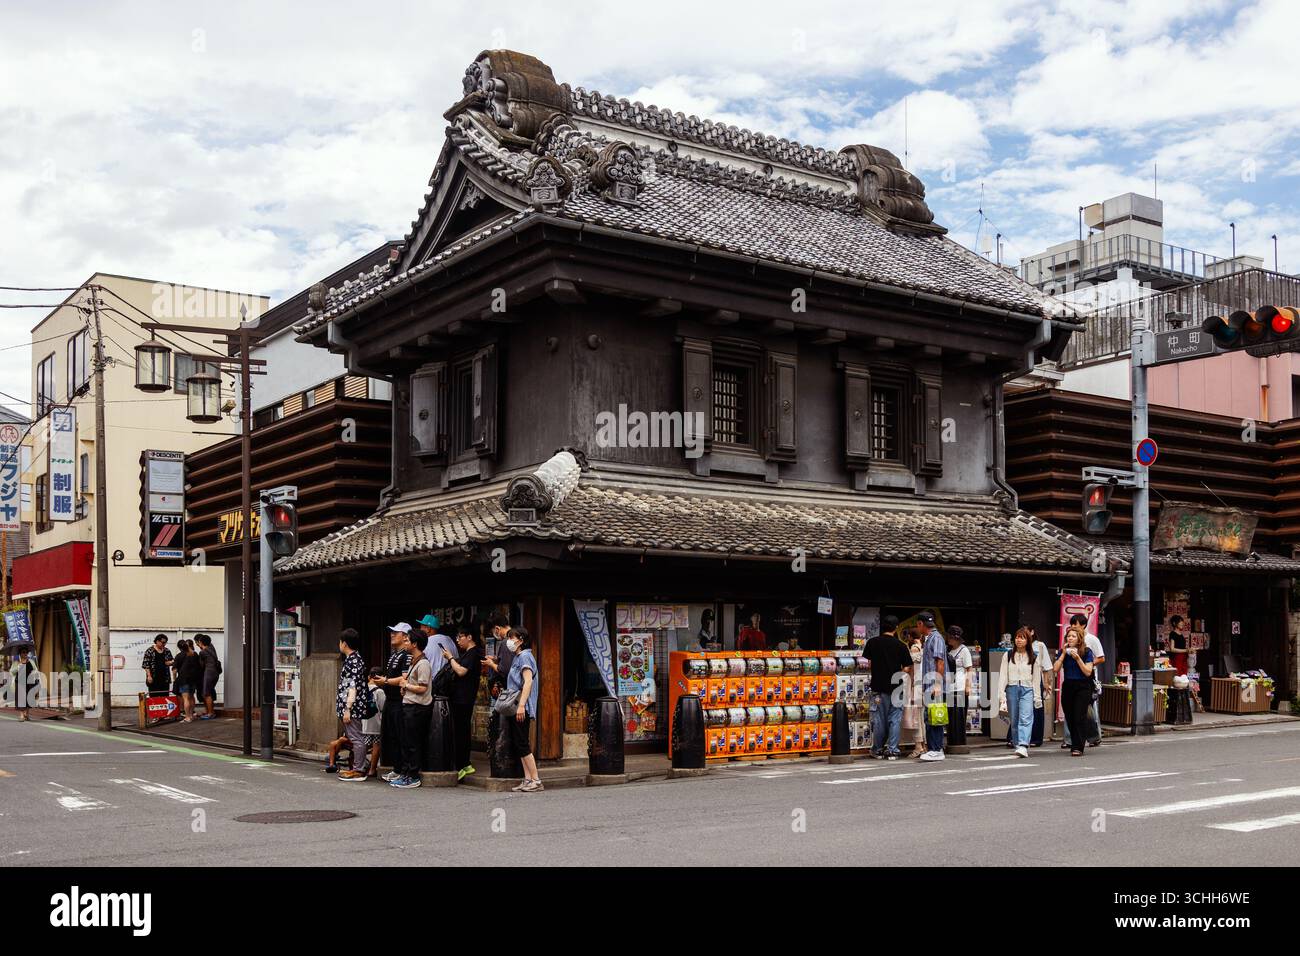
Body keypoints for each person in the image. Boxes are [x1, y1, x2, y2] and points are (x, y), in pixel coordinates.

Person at [487, 626, 542, 792]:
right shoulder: (518, 656)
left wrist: (522, 706)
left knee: (523, 743)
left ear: (521, 640)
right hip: (516, 706)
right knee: (519, 743)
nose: (510, 641)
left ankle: (536, 780)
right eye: (509, 637)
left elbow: (528, 682)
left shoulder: (525, 656)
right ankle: (527, 779)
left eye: (513, 638)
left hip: (520, 706)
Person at [864, 614, 912, 759]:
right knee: (895, 719)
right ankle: (893, 750)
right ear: (896, 628)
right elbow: (907, 667)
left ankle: (877, 749)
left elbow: (869, 664)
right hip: (896, 687)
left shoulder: (872, 642)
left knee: (878, 719)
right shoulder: (901, 645)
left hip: (878, 686)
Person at [441, 622, 484, 780]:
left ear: (469, 637)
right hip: (460, 698)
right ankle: (463, 764)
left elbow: (461, 671)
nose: (457, 640)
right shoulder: (468, 653)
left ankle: (463, 765)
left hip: (464, 699)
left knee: (461, 732)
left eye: (460, 637)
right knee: (460, 732)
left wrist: (450, 658)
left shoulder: (473, 653)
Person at [391, 631, 432, 789]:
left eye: (408, 641)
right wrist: (405, 688)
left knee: (413, 743)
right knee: (407, 742)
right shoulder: (414, 661)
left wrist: (406, 686)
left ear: (415, 644)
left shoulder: (423, 664)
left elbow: (422, 688)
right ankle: (406, 773)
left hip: (417, 707)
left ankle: (413, 776)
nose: (405, 643)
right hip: (409, 705)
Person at [998, 627, 1043, 758]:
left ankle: (1023, 745)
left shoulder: (1033, 656)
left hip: (1027, 689)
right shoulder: (1008, 655)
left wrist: (1037, 697)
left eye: (1022, 637)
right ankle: (1018, 745)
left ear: (1028, 640)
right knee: (1014, 719)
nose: (1018, 640)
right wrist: (1001, 694)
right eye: (1017, 637)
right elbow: (1002, 676)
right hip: (1011, 688)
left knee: (1026, 717)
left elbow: (1036, 679)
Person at [335, 629, 372, 782]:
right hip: (353, 706)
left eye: (340, 642)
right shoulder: (354, 659)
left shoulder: (353, 661)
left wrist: (347, 709)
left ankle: (358, 769)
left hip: (353, 707)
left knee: (356, 737)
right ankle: (358, 767)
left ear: (344, 643)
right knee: (355, 737)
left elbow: (352, 687)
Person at [1053, 623, 1096, 757]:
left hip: (1083, 686)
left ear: (1079, 638)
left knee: (1079, 716)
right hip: (1068, 685)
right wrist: (1063, 654)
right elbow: (1055, 669)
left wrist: (1078, 659)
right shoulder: (1063, 651)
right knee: (1070, 716)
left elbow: (1088, 672)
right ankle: (1074, 741)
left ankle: (1078, 746)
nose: (1070, 638)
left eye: (1073, 636)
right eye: (1068, 636)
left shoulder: (1086, 651)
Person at [377, 624, 412, 782]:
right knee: (392, 736)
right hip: (389, 699)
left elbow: (405, 678)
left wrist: (386, 680)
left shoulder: (407, 655)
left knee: (401, 736)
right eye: (391, 632)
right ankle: (396, 768)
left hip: (400, 701)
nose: (392, 635)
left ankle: (404, 770)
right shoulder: (393, 655)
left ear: (405, 636)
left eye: (395, 632)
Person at [1063, 613, 1105, 749]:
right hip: (1070, 680)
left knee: (1087, 712)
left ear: (1084, 625)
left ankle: (1094, 736)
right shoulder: (1069, 640)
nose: (1073, 628)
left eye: (1076, 625)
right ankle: (1070, 740)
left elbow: (1101, 657)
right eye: (1072, 625)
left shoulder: (1092, 640)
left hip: (1087, 679)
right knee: (1070, 711)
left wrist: (1087, 662)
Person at [916, 611, 947, 761]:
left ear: (921, 624)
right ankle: (933, 748)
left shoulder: (936, 638)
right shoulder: (930, 638)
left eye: (918, 624)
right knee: (930, 716)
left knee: (935, 716)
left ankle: (937, 749)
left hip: (934, 685)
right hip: (929, 685)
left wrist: (937, 683)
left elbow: (940, 662)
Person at [945, 626, 972, 748]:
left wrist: (968, 686)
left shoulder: (964, 650)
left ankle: (960, 742)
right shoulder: (949, 652)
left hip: (960, 687)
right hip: (950, 688)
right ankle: (952, 741)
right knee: (951, 716)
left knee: (959, 716)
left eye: (950, 637)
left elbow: (969, 669)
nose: (948, 639)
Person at [903, 627, 926, 758]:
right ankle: (925, 746)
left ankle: (918, 747)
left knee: (915, 717)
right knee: (923, 717)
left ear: (911, 637)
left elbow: (908, 669)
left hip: (915, 686)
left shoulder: (914, 649)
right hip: (923, 685)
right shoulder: (923, 648)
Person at [362, 668, 386, 779]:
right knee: (376, 746)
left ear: (369, 677)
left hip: (364, 723)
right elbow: (383, 708)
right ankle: (372, 769)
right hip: (376, 724)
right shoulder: (379, 691)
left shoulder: (362, 689)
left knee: (363, 745)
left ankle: (359, 767)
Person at [174, 639, 203, 723]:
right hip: (193, 679)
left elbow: (174, 670)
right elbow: (199, 666)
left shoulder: (179, 656)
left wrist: (175, 679)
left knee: (185, 698)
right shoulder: (195, 654)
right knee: (191, 697)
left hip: (183, 679)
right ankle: (191, 715)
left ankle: (187, 717)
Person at [194, 634, 220, 720]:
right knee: (208, 692)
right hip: (215, 673)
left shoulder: (202, 652)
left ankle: (210, 713)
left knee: (206, 693)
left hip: (209, 673)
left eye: (198, 642)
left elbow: (201, 665)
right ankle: (210, 711)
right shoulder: (211, 648)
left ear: (200, 642)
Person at [9, 645, 39, 719]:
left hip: (29, 682)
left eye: (26, 652)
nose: (25, 654)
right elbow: (11, 672)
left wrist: (34, 673)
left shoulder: (31, 661)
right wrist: (18, 667)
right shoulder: (17, 662)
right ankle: (22, 715)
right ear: (20, 654)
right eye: (23, 652)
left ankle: (27, 714)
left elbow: (36, 670)